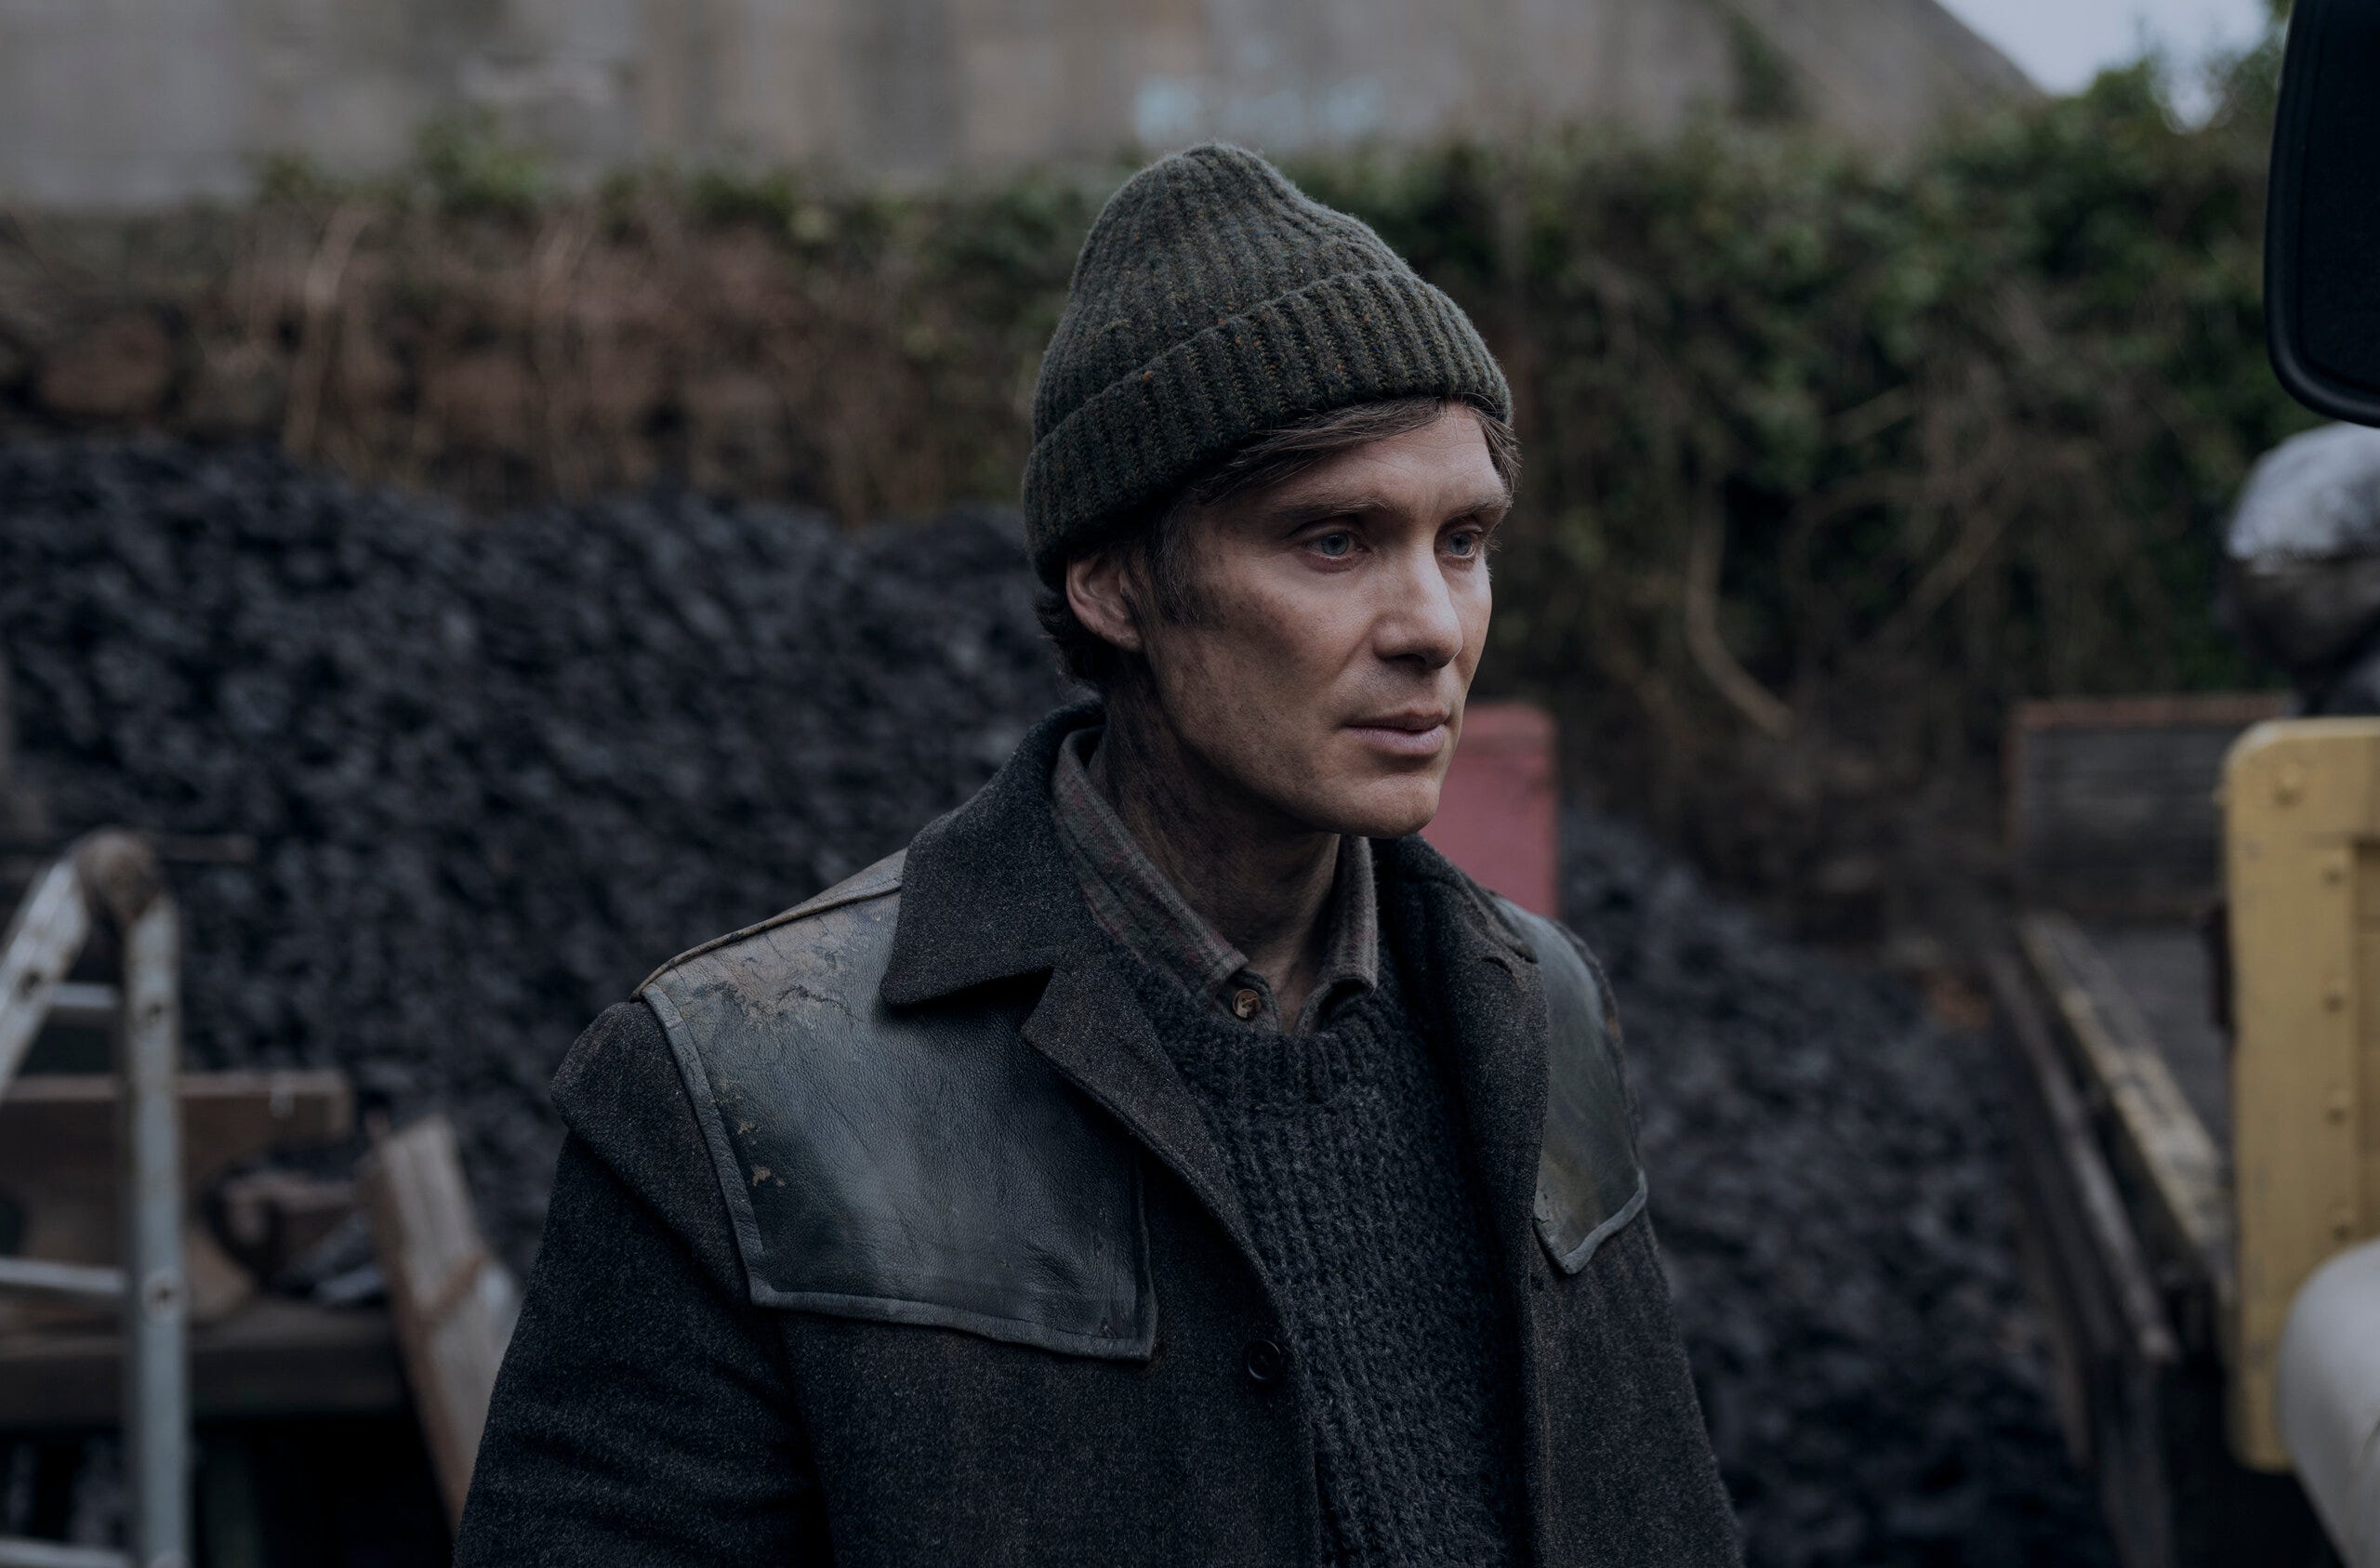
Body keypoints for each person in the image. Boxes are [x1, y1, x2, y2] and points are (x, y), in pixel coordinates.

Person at [455, 143, 1741, 1568]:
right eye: (1333, 540)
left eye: (1466, 541)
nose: (1433, 626)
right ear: (1115, 582)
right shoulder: (735, 1092)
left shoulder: (1540, 1010)